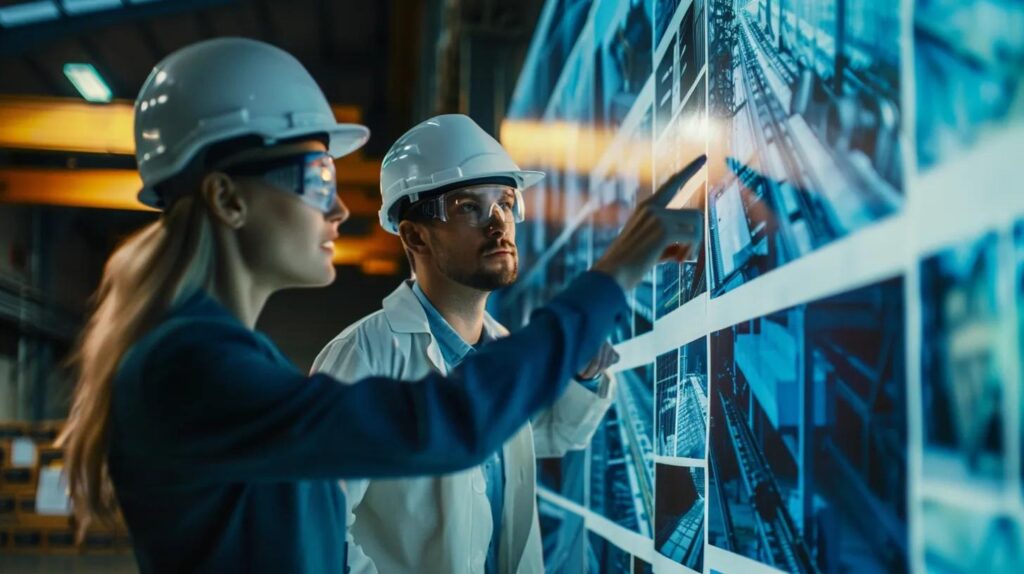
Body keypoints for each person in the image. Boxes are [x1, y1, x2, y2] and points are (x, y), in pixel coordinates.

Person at [55, 38, 704, 574]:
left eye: (506, 204)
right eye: (317, 180)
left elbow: (504, 426)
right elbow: (448, 426)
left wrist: (579, 364)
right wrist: (615, 272)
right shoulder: (192, 369)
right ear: (228, 199)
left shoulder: (219, 361)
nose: (338, 209)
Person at [312, 114, 623, 574]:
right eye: (468, 208)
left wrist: (583, 375)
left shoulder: (500, 347)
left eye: (505, 203)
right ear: (414, 234)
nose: (498, 225)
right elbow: (317, 527)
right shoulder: (362, 357)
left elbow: (550, 436)